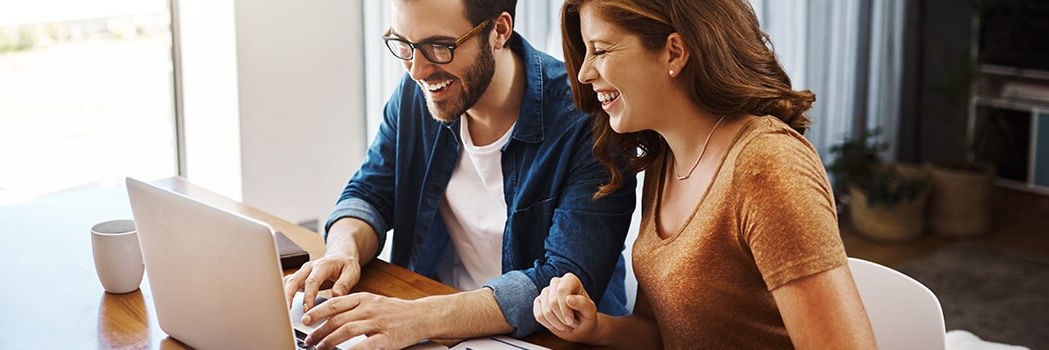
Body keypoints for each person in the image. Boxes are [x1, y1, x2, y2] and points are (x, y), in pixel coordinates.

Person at [282, 0, 638, 348]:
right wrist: (343, 251)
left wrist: (417, 318)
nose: (417, 71)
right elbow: (368, 194)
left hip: (540, 340)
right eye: (404, 45)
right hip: (431, 322)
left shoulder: (586, 122)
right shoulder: (416, 96)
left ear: (499, 31)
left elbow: (561, 279)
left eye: (439, 47)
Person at [532, 0, 877, 348]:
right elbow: (664, 334)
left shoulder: (766, 165)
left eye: (601, 50)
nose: (583, 73)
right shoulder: (666, 160)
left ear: (674, 53)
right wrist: (595, 328)